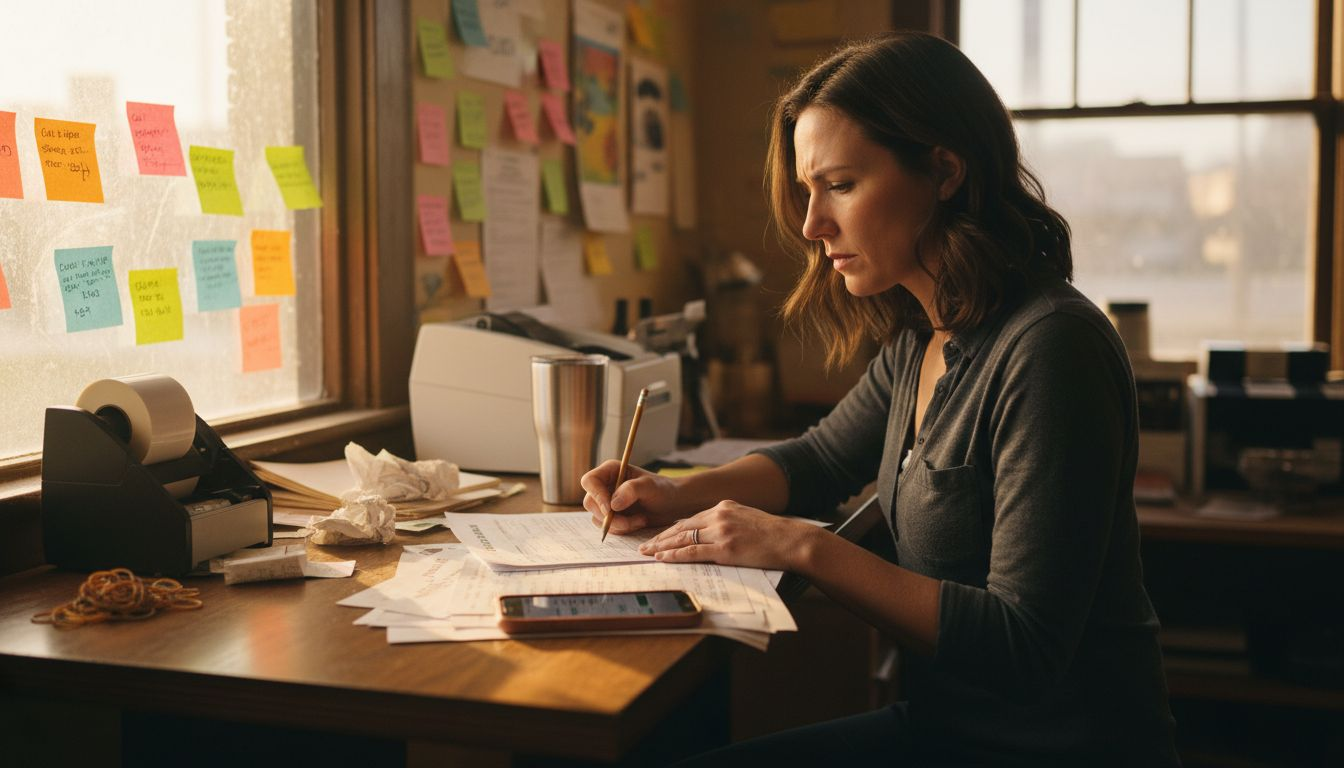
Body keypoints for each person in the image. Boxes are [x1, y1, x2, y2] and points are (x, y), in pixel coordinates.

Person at [581, 31, 1179, 767]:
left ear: (945, 171)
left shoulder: (1051, 348)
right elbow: (820, 458)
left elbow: (1024, 646)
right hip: (948, 730)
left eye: (840, 184)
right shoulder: (925, 333)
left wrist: (803, 545)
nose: (811, 225)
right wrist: (673, 494)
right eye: (807, 191)